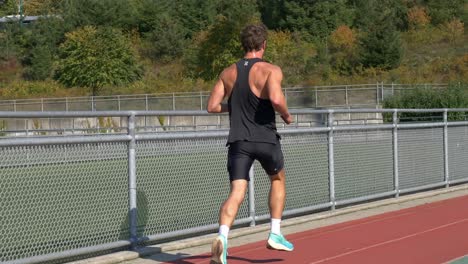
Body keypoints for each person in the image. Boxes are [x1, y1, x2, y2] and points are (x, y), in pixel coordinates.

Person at [206, 23, 294, 264]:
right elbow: (276, 98)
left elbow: (212, 106)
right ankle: (275, 232)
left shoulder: (227, 73)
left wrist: (233, 106)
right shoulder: (270, 70)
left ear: (243, 45)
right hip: (266, 139)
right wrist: (286, 116)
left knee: (237, 192)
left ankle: (222, 239)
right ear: (264, 45)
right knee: (277, 179)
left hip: (239, 142)